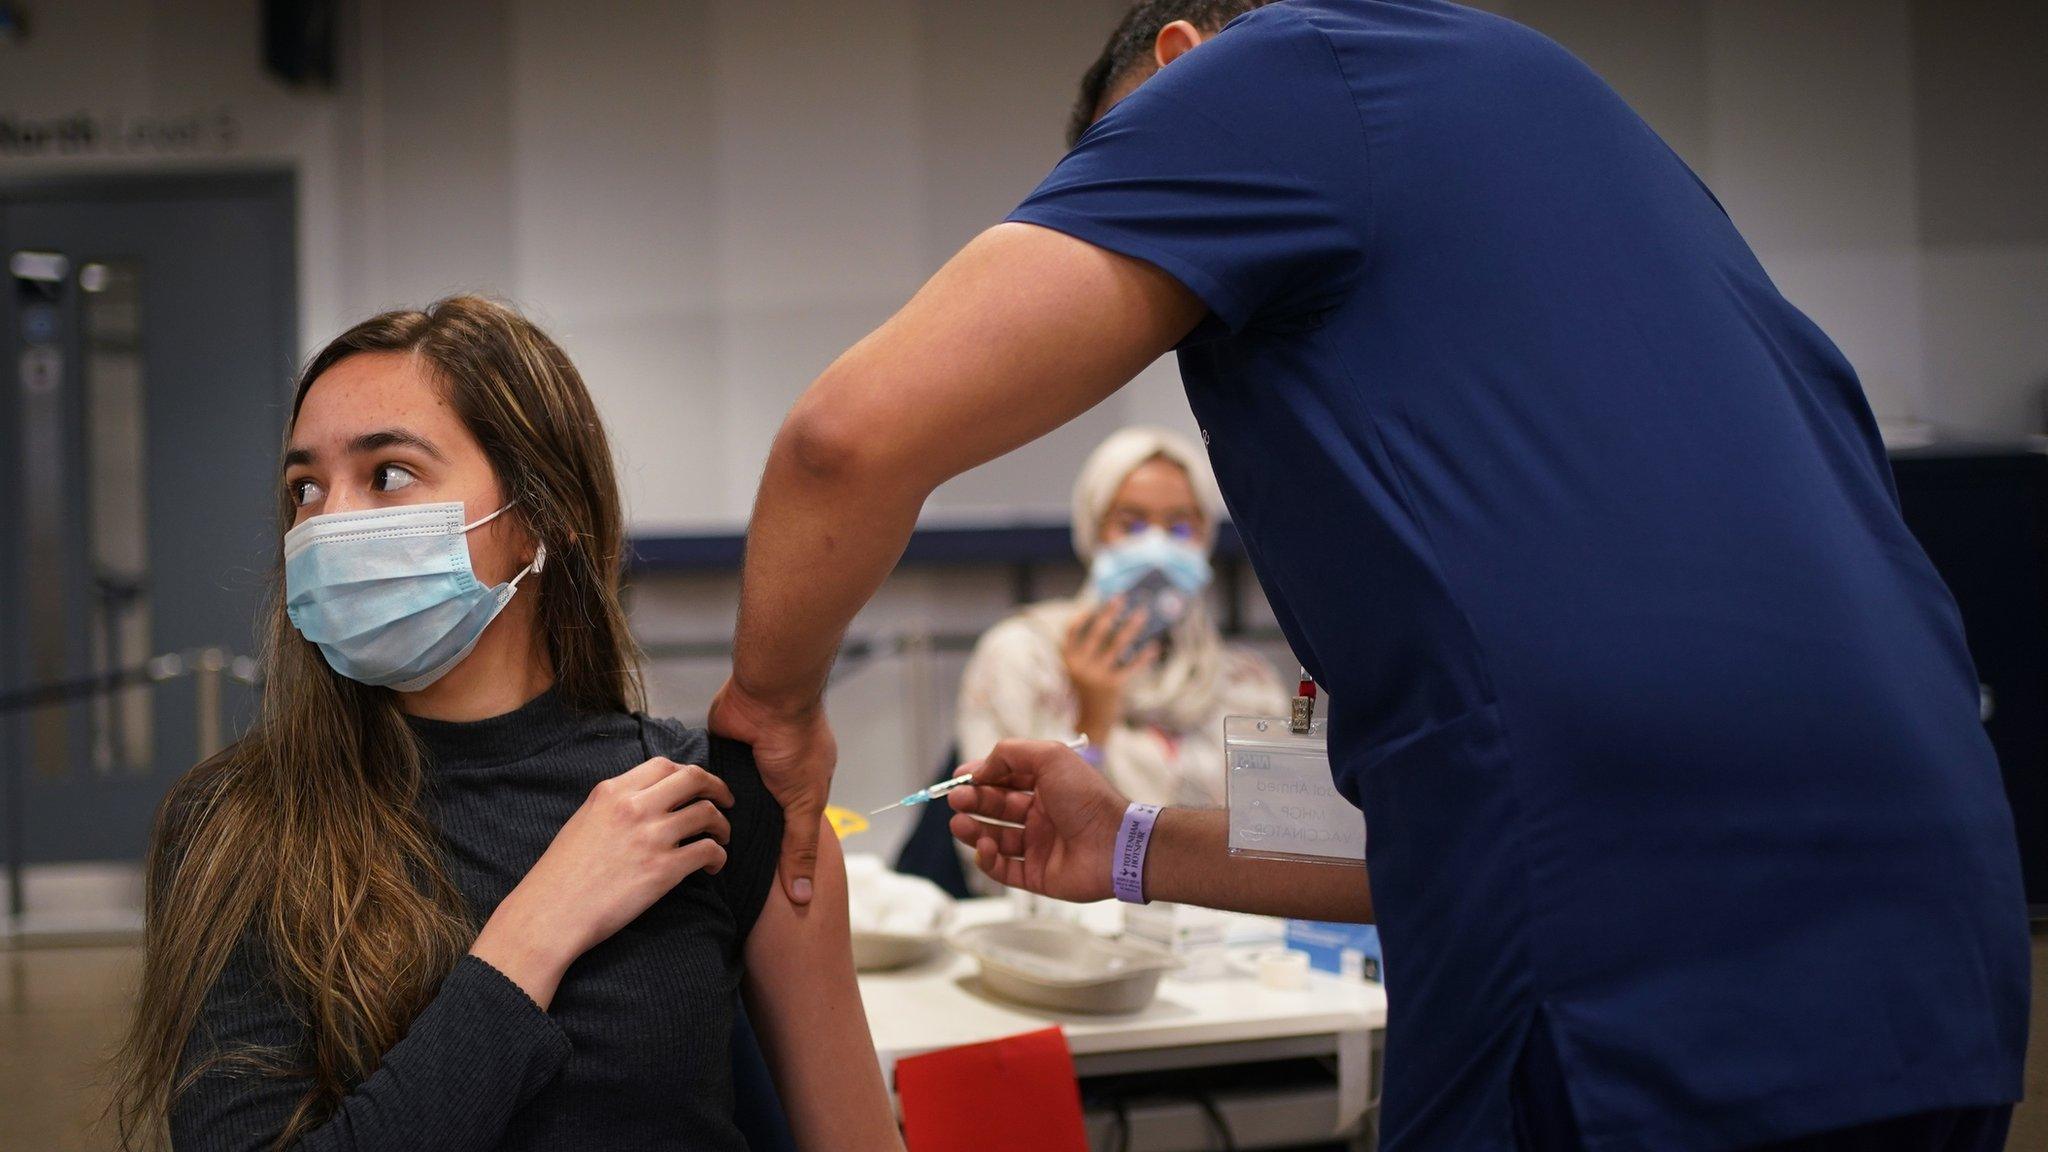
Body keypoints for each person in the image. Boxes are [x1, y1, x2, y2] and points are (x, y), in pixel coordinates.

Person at [709, 2, 2028, 1151]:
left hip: (1639, 986)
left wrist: (772, 713)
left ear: (1180, 68)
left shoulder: (1271, 74)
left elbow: (843, 441)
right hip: (1934, 959)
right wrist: (1126, 843)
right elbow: (1479, 817)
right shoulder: (1602, 175)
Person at [111, 297, 900, 1152]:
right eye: (305, 489)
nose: (329, 521)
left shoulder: (712, 802)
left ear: (539, 516)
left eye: (388, 474)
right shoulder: (236, 824)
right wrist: (538, 928)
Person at [956, 426, 1286, 808]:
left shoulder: (1246, 684)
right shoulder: (1024, 656)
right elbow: (1003, 832)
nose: (1157, 547)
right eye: (1131, 525)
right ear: (1093, 531)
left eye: (1180, 527)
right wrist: (1091, 722)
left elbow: (1270, 834)